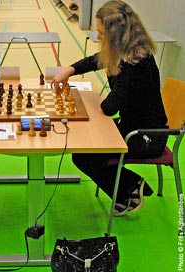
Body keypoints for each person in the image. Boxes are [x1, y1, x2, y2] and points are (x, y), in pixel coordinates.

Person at [51, 0, 168, 216]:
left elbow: (109, 108)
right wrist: (69, 70)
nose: (98, 37)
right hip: (131, 124)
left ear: (116, 35)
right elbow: (96, 60)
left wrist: (87, 101)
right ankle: (126, 191)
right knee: (84, 146)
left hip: (146, 135)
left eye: (102, 33)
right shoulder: (129, 50)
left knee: (84, 155)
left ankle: (130, 186)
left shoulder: (137, 64)